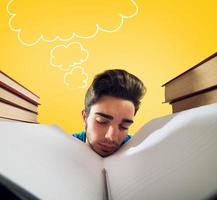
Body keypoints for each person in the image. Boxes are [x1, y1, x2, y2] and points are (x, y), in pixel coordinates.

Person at [73, 69, 146, 157]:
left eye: (124, 126)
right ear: (85, 117)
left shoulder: (138, 150)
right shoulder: (63, 147)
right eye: (102, 121)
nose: (111, 137)